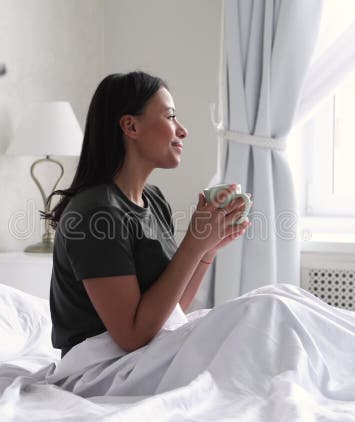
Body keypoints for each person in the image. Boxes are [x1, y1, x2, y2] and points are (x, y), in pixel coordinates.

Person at [43, 71, 250, 358]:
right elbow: (131, 335)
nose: (182, 130)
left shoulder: (153, 199)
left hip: (140, 357)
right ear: (131, 126)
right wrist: (193, 243)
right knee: (260, 316)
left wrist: (206, 250)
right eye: (170, 116)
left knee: (270, 310)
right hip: (101, 367)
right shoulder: (95, 215)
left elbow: (171, 310)